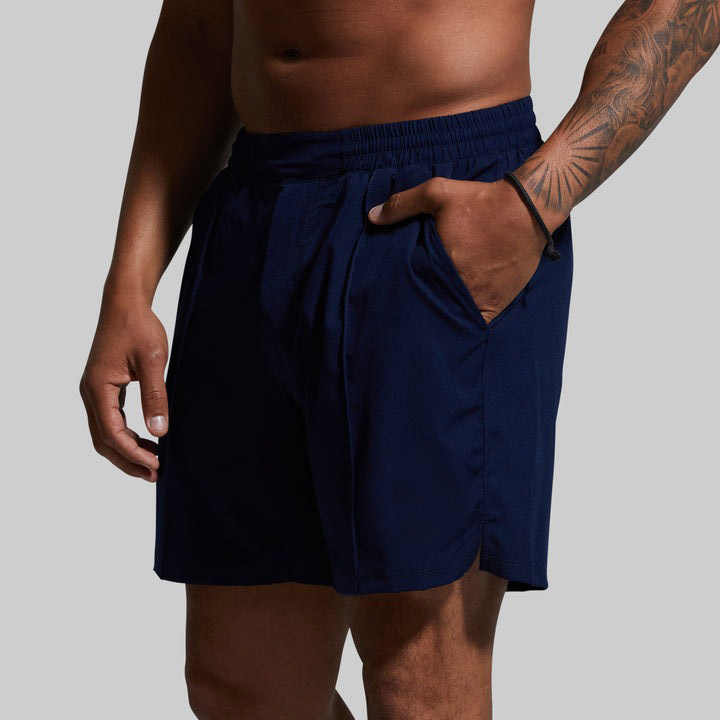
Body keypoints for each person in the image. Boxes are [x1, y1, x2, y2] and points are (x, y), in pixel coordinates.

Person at [80, 1, 719, 717]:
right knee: (240, 686)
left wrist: (537, 198)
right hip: (256, 208)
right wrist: (129, 284)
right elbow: (202, 24)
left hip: (437, 202)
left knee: (419, 682)